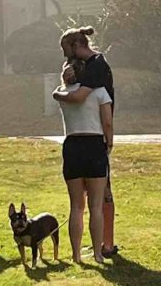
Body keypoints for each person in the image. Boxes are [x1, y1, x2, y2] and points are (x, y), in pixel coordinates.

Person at [52, 27, 118, 257]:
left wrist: (57, 92)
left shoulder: (66, 90)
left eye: (66, 50)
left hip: (72, 146)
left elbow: (75, 96)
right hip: (94, 144)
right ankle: (102, 251)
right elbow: (107, 122)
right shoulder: (98, 91)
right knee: (97, 206)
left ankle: (77, 255)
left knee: (76, 207)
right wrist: (108, 143)